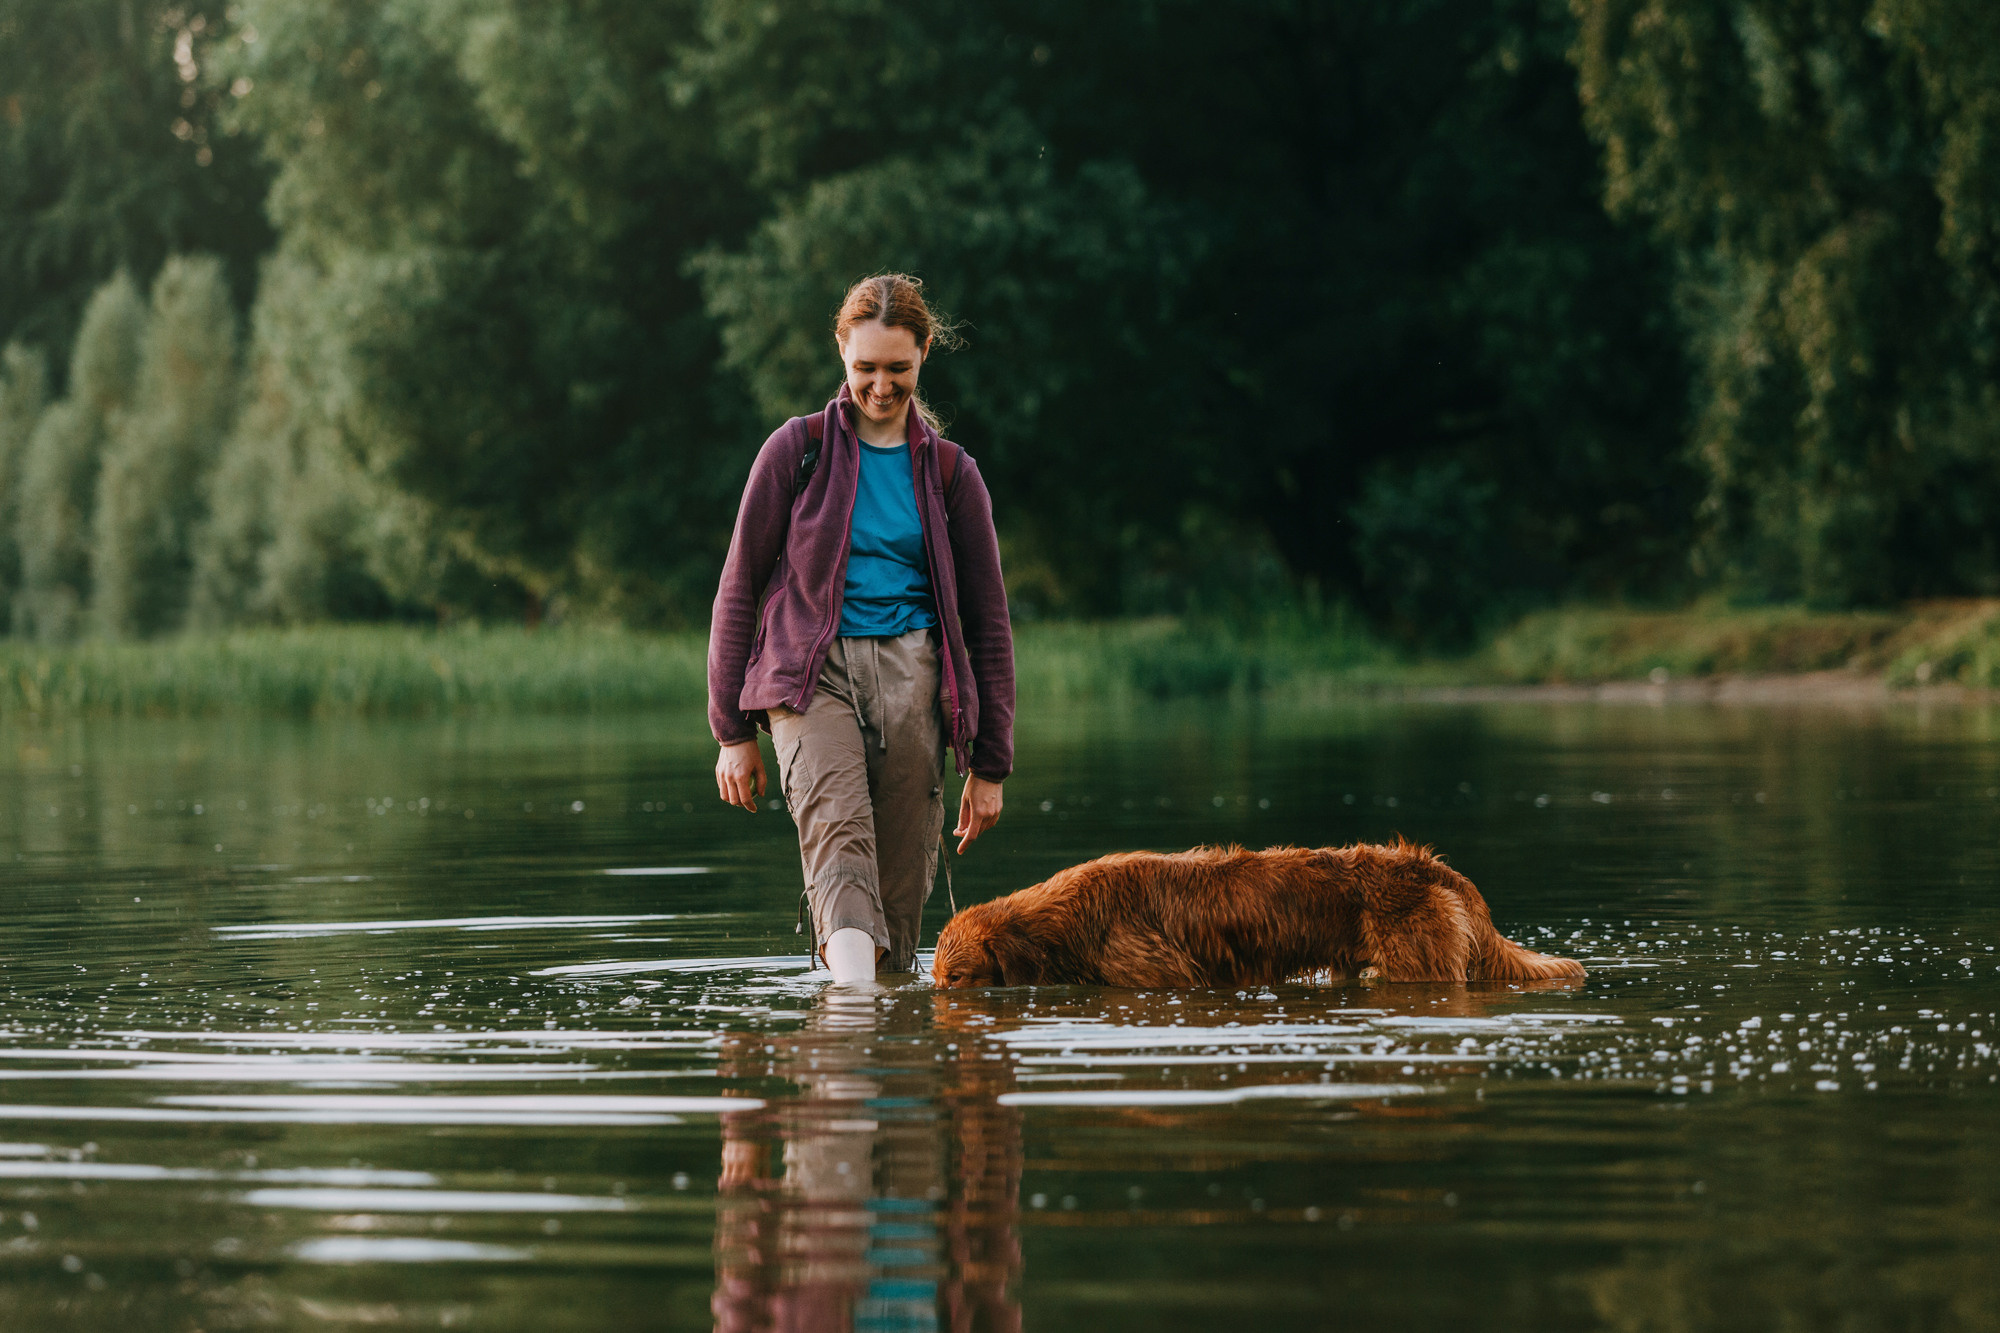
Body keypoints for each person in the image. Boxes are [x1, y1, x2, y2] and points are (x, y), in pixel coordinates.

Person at [708, 273, 1014, 983]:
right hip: (810, 680)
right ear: (842, 354)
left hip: (917, 679)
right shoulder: (795, 451)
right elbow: (738, 589)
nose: (880, 384)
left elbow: (988, 623)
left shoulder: (950, 473)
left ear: (924, 357)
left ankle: (884, 1046)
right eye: (865, 368)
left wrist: (991, 764)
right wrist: (731, 731)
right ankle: (849, 1017)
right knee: (840, 844)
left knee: (901, 900)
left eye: (898, 370)